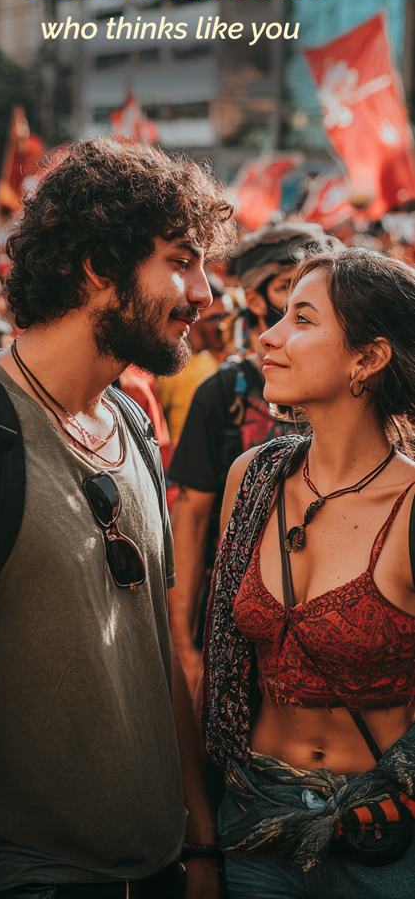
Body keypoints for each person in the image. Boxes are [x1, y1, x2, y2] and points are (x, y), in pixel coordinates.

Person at [0, 137, 236, 899]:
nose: (205, 293)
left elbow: (158, 653)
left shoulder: (133, 424)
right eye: (181, 259)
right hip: (25, 876)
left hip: (161, 867)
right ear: (99, 266)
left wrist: (199, 842)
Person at [202, 247, 415, 899]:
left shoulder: (409, 506)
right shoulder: (252, 479)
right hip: (253, 815)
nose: (268, 333)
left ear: (367, 358)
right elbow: (214, 659)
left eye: (301, 317)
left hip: (379, 828)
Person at [168, 223, 331, 694]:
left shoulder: (369, 409)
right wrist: (185, 646)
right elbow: (193, 520)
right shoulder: (223, 394)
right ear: (256, 300)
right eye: (287, 290)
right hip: (238, 635)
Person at [157, 281, 229, 444]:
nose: (223, 326)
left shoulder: (213, 361)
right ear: (194, 319)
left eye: (226, 316)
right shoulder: (170, 367)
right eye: (215, 318)